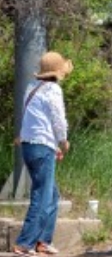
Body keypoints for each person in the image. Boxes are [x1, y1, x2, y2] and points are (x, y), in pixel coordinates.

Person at [13, 51, 74, 257]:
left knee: (52, 195)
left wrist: (53, 146)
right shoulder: (53, 90)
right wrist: (63, 140)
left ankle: (43, 241)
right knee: (42, 195)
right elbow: (58, 118)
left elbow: (37, 121)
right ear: (58, 72)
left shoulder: (32, 87)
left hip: (30, 145)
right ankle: (25, 243)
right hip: (41, 147)